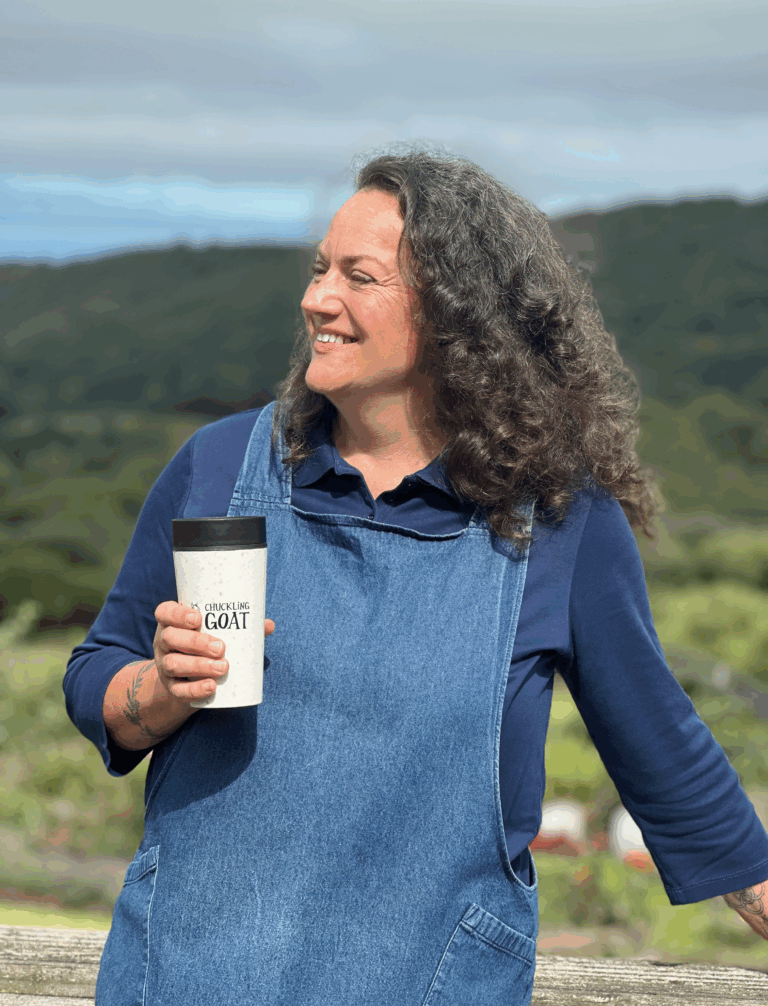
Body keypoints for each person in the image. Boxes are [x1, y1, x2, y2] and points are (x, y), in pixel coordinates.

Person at [64, 150, 768, 1006]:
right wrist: (157, 691)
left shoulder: (559, 521)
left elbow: (659, 749)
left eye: (360, 277)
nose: (317, 298)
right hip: (191, 974)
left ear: (455, 316)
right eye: (322, 270)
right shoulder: (218, 465)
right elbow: (97, 672)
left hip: (429, 983)